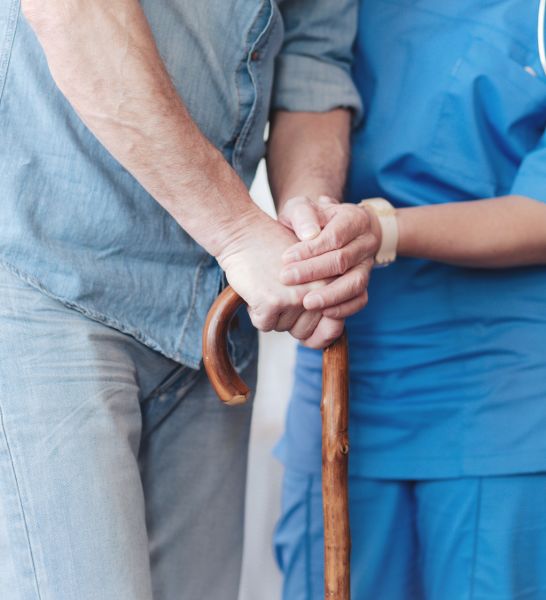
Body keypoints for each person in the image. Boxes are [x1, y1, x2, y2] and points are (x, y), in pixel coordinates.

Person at [271, 0, 546, 598]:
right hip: (350, 360)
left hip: (519, 391)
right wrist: (310, 219)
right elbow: (308, 74)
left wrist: (380, 230)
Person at [0, 0, 373, 598]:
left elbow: (312, 59)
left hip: (211, 320)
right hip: (48, 283)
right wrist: (236, 230)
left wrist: (311, 220)